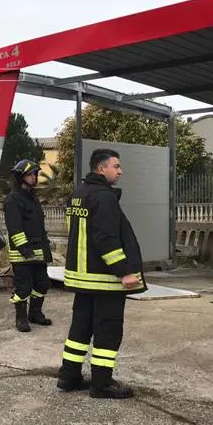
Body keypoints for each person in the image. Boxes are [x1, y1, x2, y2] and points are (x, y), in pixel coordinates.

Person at [57, 148, 147, 399]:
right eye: (115, 166)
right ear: (101, 169)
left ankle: (69, 376)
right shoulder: (104, 197)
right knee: (108, 329)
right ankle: (101, 383)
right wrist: (124, 272)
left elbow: (74, 232)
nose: (120, 171)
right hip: (104, 279)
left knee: (80, 329)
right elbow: (106, 239)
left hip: (82, 277)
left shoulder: (78, 195)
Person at [3, 158, 52, 333]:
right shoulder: (13, 200)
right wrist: (25, 250)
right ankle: (21, 318)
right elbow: (15, 228)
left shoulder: (32, 198)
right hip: (22, 254)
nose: (34, 177)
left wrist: (45, 249)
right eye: (30, 174)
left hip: (38, 252)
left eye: (35, 174)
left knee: (42, 284)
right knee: (24, 287)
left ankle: (35, 313)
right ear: (20, 176)